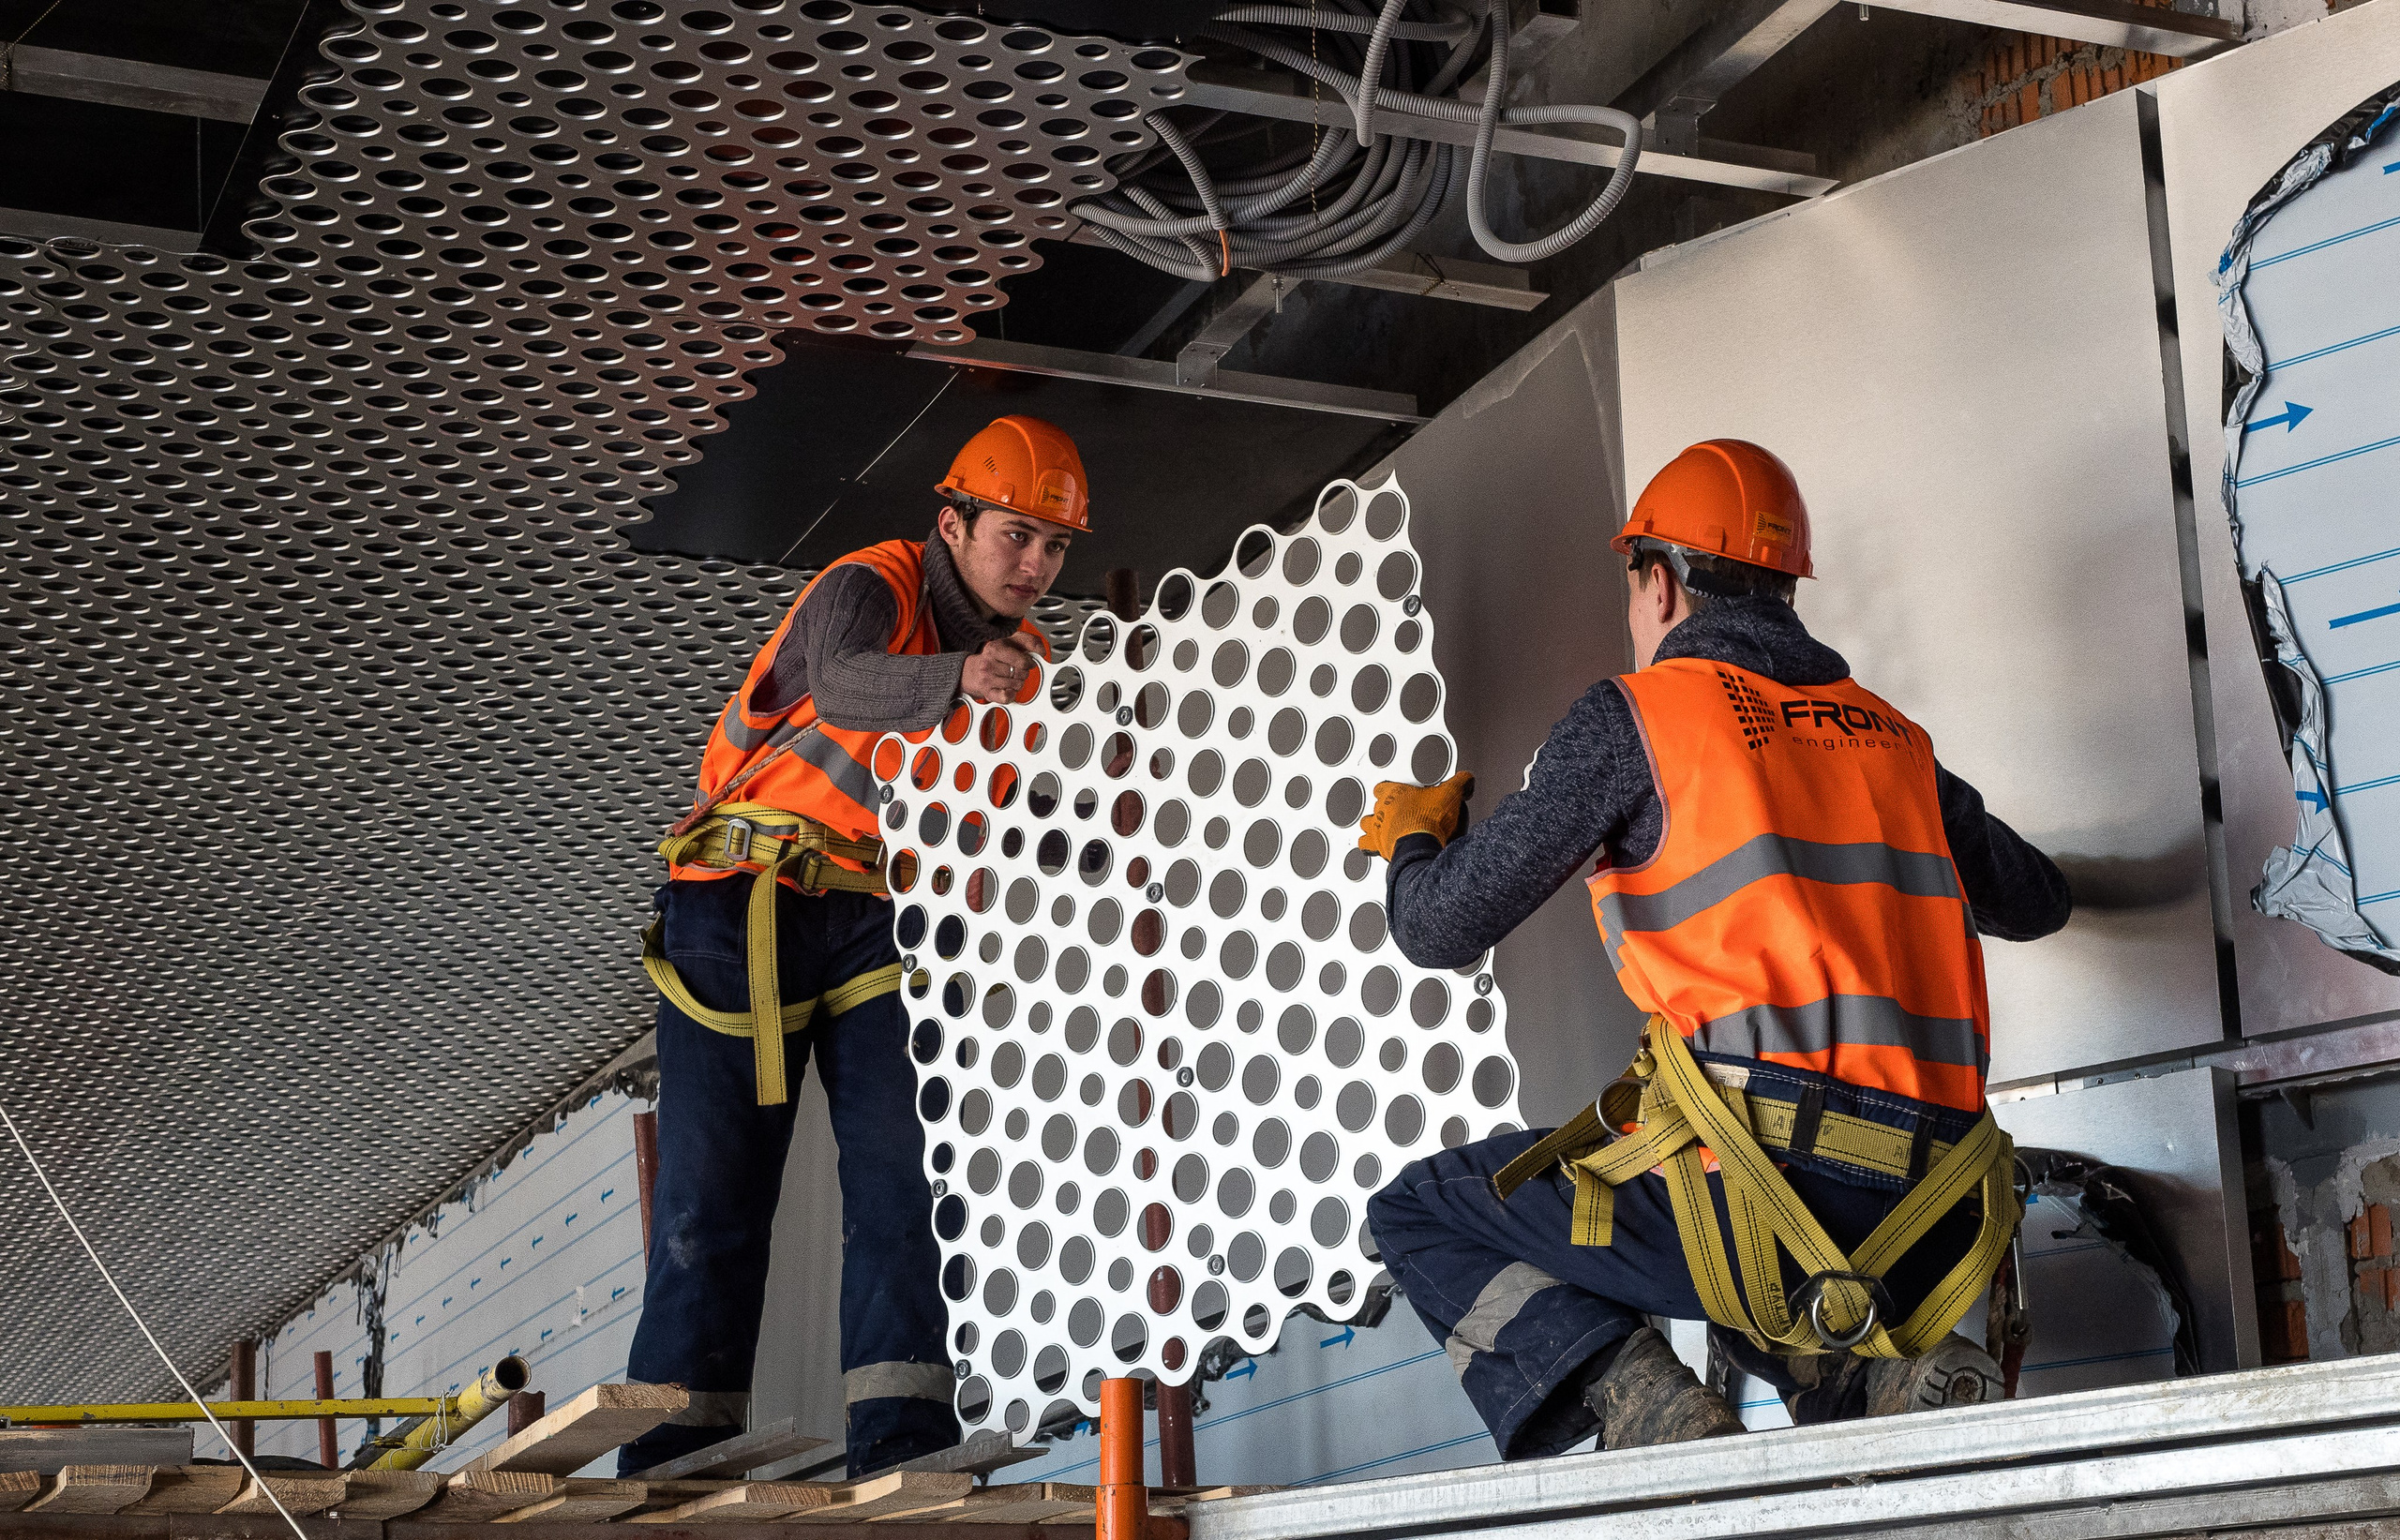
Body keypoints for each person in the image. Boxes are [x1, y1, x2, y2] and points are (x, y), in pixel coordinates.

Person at [1358, 441, 2071, 1458]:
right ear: (1785, 587)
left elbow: (1436, 926)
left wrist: (1413, 840)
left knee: (1424, 1210)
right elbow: (2036, 899)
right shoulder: (1894, 741)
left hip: (1765, 1199)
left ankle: (1645, 1402)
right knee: (1715, 1174)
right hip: (1935, 1214)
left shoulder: (1637, 720)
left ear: (1659, 580)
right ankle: (1871, 1378)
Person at [619, 416, 1088, 1477]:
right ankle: (669, 1447)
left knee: (911, 1174)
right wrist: (963, 679)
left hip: (883, 917)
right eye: (1016, 533)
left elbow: (1004, 813)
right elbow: (842, 682)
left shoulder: (1027, 667)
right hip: (741, 896)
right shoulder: (871, 582)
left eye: (1055, 547)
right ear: (952, 521)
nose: (1036, 564)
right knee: (713, 1193)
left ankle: (900, 1432)